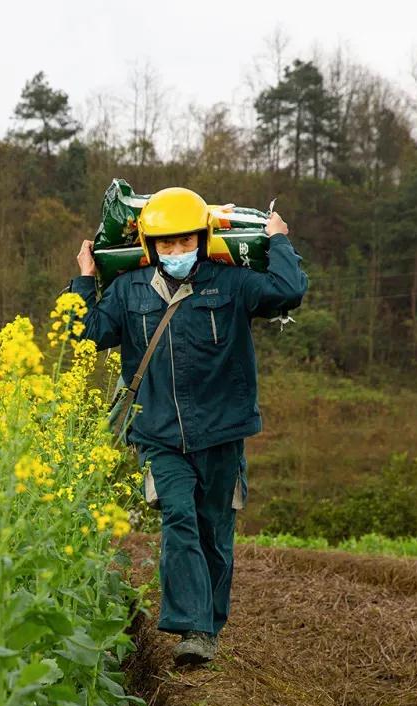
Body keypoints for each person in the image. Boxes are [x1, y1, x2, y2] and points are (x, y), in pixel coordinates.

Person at [68, 187, 307, 666]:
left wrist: (279, 240)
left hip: (222, 431)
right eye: (167, 243)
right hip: (158, 433)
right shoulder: (130, 290)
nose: (176, 251)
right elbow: (86, 332)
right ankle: (191, 628)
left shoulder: (231, 284)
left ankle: (209, 626)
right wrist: (84, 279)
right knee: (179, 518)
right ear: (151, 246)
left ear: (202, 239)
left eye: (185, 241)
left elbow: (288, 291)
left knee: (214, 531)